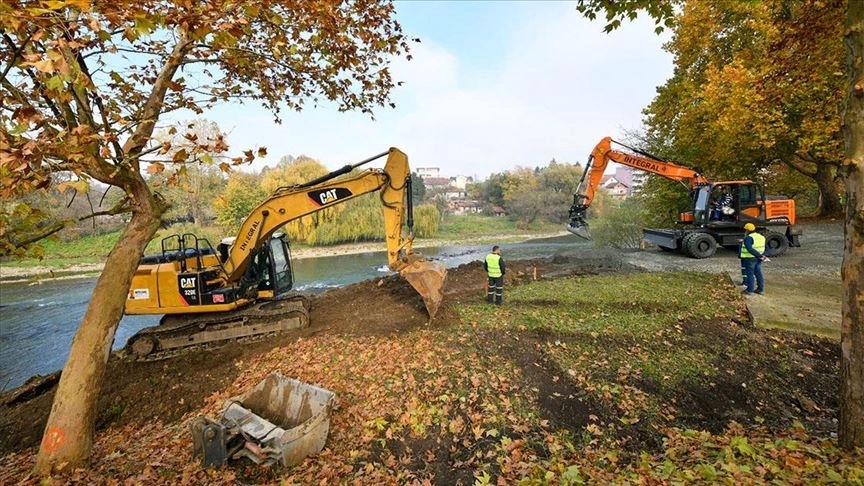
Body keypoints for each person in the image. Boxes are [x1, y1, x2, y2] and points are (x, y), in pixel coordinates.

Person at [739, 223, 768, 295]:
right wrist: (762, 256)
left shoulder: (748, 238)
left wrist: (758, 255)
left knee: (750, 274)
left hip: (750, 258)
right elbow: (765, 248)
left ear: (747, 230)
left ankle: (750, 290)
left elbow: (749, 249)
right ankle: (760, 289)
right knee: (758, 273)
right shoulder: (761, 237)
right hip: (758, 258)